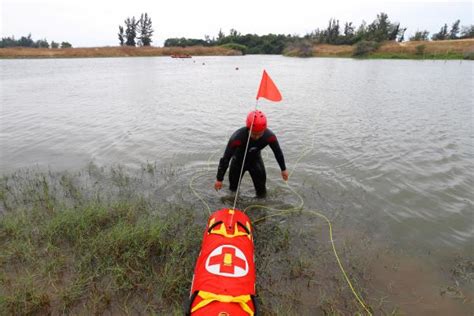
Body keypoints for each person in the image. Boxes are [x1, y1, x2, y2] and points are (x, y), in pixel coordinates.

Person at [214, 110, 288, 198]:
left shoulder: (270, 136)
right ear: (248, 129)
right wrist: (219, 179)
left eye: (260, 134)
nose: (257, 137)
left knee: (262, 192)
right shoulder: (237, 138)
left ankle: (259, 210)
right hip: (238, 163)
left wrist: (283, 169)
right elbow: (226, 158)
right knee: (233, 192)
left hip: (255, 162)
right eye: (253, 134)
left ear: (264, 130)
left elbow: (278, 152)